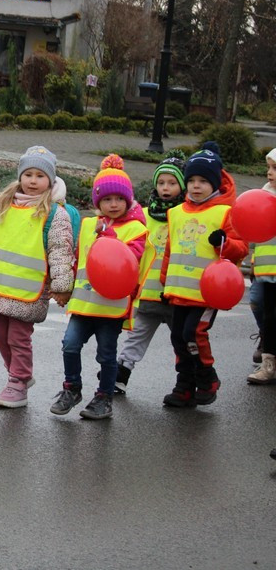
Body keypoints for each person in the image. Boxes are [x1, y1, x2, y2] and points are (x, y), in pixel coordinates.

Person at [0, 146, 74, 408]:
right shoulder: (4, 206)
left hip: (30, 291)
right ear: (20, 176)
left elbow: (60, 251)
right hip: (0, 287)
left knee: (18, 337)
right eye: (28, 174)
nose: (33, 181)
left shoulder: (54, 214)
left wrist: (62, 285)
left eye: (40, 175)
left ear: (50, 179)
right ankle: (18, 374)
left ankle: (18, 381)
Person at [51, 155, 149, 420]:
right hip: (84, 303)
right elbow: (77, 260)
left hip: (111, 307)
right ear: (98, 202)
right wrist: (64, 288)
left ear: (128, 200)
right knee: (70, 345)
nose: (113, 204)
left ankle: (104, 397)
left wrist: (108, 236)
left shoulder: (136, 229)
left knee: (106, 355)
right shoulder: (87, 225)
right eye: (106, 199)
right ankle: (72, 388)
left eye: (118, 199)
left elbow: (131, 259)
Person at [159, 141, 247, 407]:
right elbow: (170, 250)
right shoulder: (176, 213)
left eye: (203, 181)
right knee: (178, 337)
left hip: (207, 292)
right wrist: (165, 282)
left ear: (215, 183)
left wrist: (223, 243)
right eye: (192, 180)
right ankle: (184, 386)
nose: (196, 186)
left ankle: (207, 377)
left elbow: (240, 248)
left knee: (193, 333)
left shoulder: (225, 213)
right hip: (179, 290)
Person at [114, 153, 186, 394]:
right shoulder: (143, 215)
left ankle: (187, 380)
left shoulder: (185, 216)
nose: (166, 188)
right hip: (147, 293)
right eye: (161, 182)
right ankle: (121, 375)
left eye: (172, 183)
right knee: (136, 336)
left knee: (182, 341)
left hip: (175, 294)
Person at [245, 148, 276, 384]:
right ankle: (268, 361)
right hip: (266, 271)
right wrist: (254, 261)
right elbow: (256, 235)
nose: (270, 173)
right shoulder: (263, 197)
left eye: (275, 168)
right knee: (264, 311)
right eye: (269, 168)